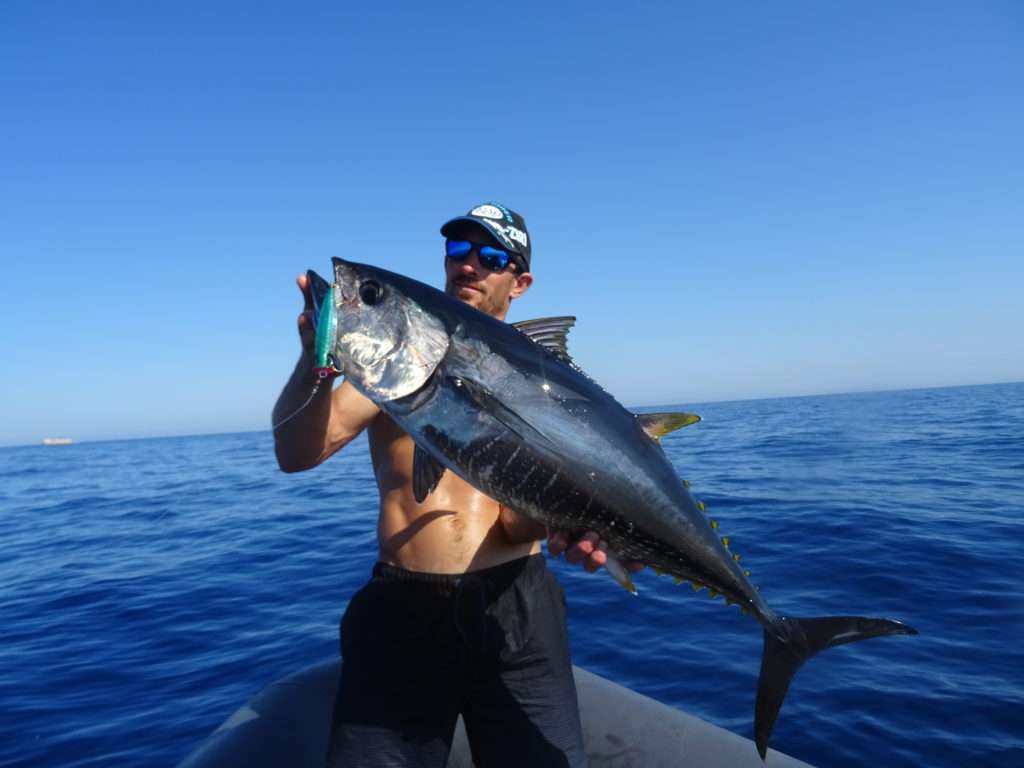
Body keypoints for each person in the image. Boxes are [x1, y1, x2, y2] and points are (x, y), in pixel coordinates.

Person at [272, 203, 640, 768]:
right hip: (402, 613)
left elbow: (517, 523)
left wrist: (590, 523)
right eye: (458, 252)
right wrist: (314, 361)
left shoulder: (544, 386)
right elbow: (296, 455)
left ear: (520, 283)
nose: (469, 266)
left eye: (492, 257)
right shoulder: (394, 364)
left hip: (517, 610)